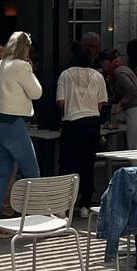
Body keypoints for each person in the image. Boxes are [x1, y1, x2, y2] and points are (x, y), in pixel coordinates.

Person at [0, 31, 44, 229]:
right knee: (32, 171)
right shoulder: (21, 66)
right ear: (24, 47)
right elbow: (37, 93)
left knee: (3, 173)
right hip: (12, 122)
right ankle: (41, 217)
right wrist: (30, 68)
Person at [57, 46, 108, 215]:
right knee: (88, 164)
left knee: (68, 164)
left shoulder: (65, 75)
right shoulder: (98, 76)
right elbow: (100, 104)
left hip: (72, 123)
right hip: (92, 122)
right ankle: (85, 205)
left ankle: (65, 206)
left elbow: (61, 102)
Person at [103, 47, 137, 147]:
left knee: (135, 152)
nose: (103, 67)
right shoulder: (123, 70)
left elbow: (131, 90)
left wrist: (121, 104)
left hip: (135, 113)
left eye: (103, 63)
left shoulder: (118, 72)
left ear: (109, 62)